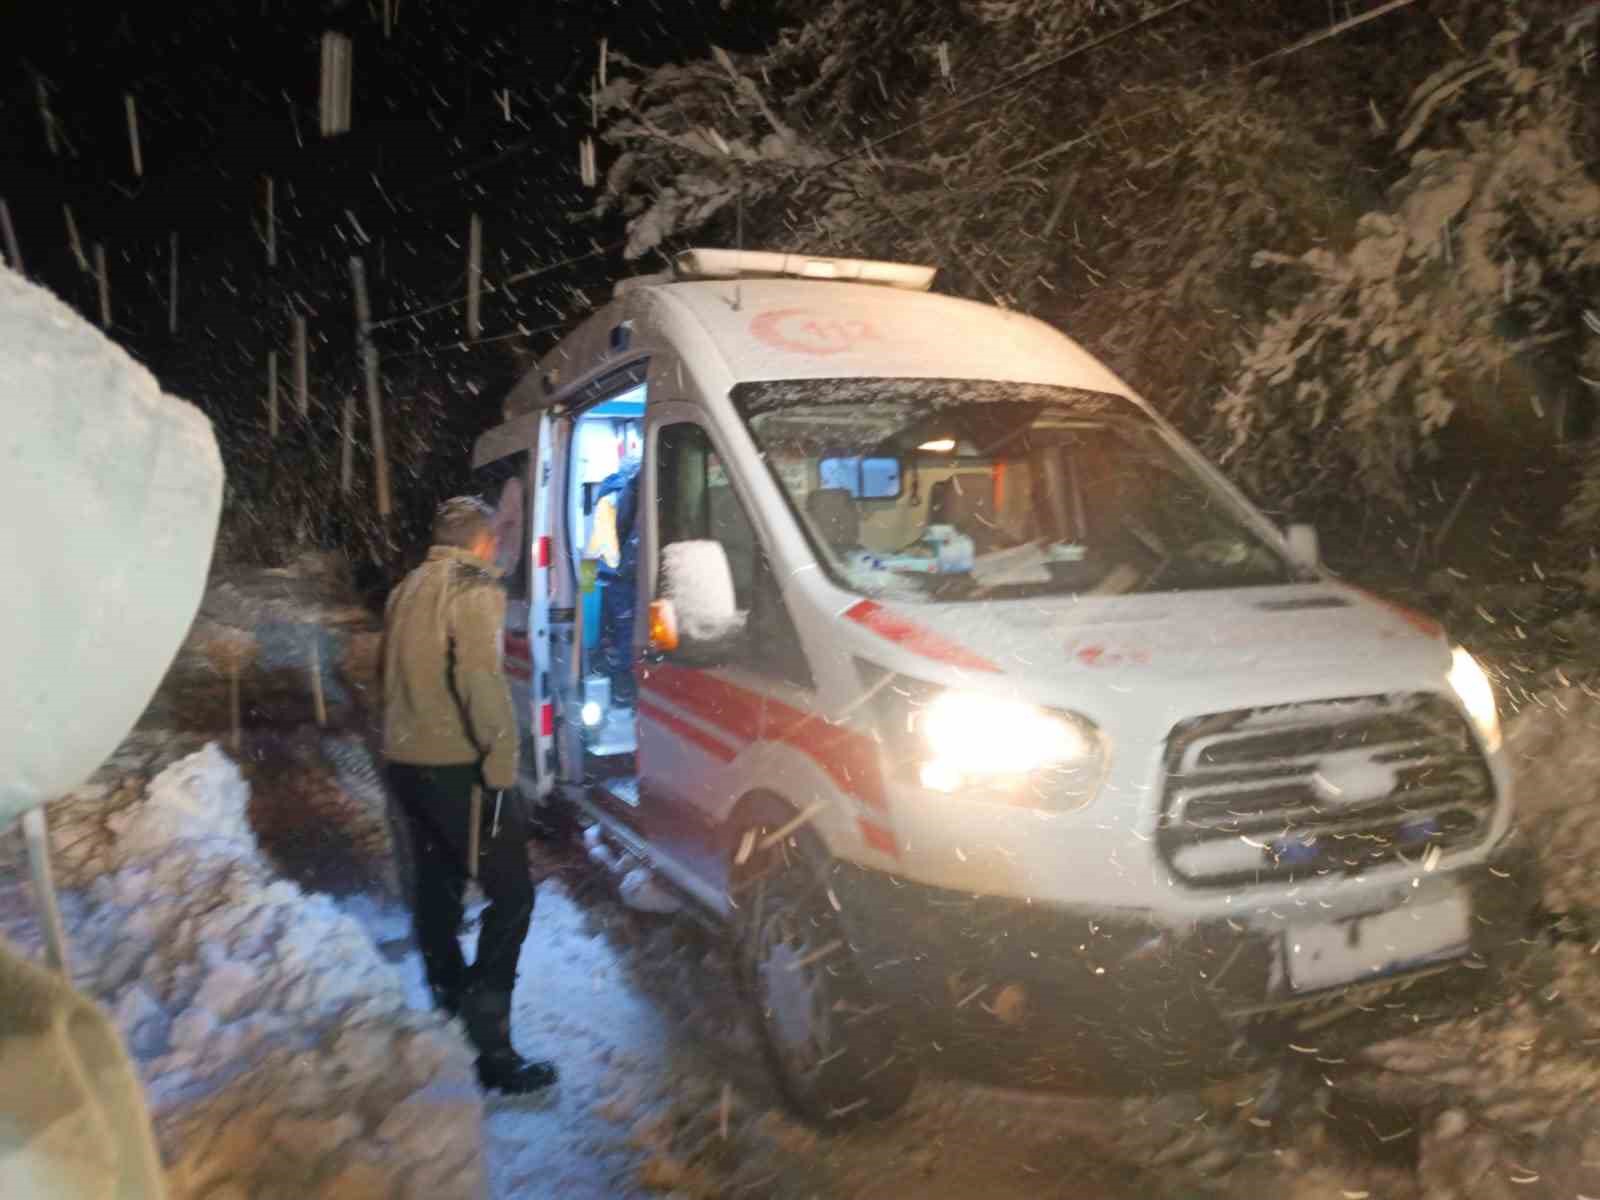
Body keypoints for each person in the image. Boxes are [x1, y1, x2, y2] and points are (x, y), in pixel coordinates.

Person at [381, 496, 556, 1094]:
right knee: (512, 897)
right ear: (481, 542)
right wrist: (502, 772)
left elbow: (390, 679)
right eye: (494, 537)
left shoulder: (406, 589)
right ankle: (493, 1050)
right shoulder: (473, 590)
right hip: (456, 769)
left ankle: (452, 1006)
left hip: (406, 765)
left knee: (437, 892)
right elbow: (480, 683)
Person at [588, 438, 643, 707]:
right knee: (625, 630)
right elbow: (617, 535)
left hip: (605, 574)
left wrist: (586, 586)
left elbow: (595, 541)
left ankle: (613, 677)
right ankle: (623, 685)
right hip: (621, 574)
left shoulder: (607, 493)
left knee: (610, 628)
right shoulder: (627, 492)